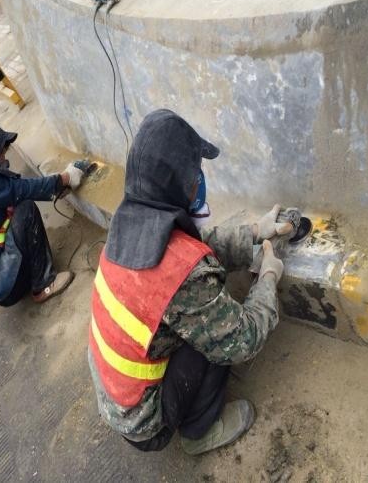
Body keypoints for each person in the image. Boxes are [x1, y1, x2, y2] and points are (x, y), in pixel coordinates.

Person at [88, 109, 293, 455]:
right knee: (217, 330)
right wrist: (268, 277)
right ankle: (199, 432)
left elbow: (189, 247)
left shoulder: (129, 226)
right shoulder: (181, 276)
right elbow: (242, 339)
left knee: (200, 312)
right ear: (179, 182)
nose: (199, 180)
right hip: (144, 424)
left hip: (117, 397)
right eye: (195, 172)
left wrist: (254, 233)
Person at [0, 122, 87, 307]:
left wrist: (55, 188)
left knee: (15, 205)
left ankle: (27, 273)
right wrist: (65, 178)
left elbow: (8, 189)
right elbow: (22, 189)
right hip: (3, 287)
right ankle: (44, 285)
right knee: (25, 210)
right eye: (2, 153)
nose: (4, 157)